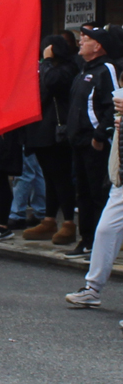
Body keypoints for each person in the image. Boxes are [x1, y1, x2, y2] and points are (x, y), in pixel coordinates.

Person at [66, 25, 118, 257]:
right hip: (78, 142)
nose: (81, 42)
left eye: (85, 39)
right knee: (83, 193)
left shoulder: (106, 69)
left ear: (97, 46)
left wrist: (99, 136)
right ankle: (86, 240)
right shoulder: (84, 69)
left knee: (98, 193)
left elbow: (113, 105)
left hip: (94, 143)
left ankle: (100, 243)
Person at [23, 35, 78, 244]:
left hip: (57, 132)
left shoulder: (66, 69)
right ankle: (49, 219)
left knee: (61, 177)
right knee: (50, 178)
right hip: (42, 132)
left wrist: (46, 62)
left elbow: (51, 83)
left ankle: (69, 222)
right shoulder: (51, 68)